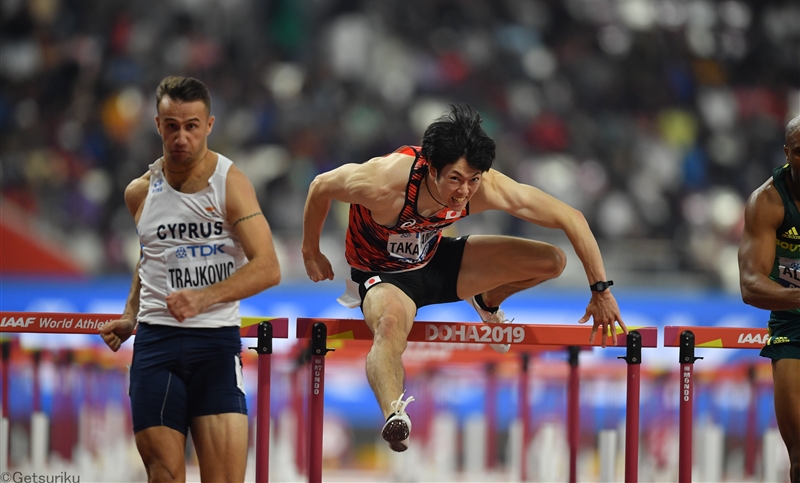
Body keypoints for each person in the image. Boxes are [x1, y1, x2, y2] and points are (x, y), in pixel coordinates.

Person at [302, 104, 626, 452]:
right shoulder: (383, 183)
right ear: (430, 168)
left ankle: (488, 300)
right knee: (391, 326)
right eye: (455, 179)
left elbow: (572, 218)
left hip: (436, 259)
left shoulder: (484, 186)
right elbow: (320, 186)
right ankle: (395, 413)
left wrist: (600, 290)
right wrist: (311, 250)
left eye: (473, 180)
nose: (464, 192)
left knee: (551, 260)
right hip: (385, 275)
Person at [99, 76, 281, 483]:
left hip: (214, 345)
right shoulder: (139, 193)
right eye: (172, 125)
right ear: (158, 124)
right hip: (156, 345)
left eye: (192, 126)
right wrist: (130, 313)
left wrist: (202, 299)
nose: (182, 136)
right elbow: (150, 255)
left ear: (209, 125)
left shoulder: (230, 183)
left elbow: (268, 267)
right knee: (164, 476)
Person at [738, 114, 800, 483]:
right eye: (799, 152)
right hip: (792, 321)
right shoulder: (768, 201)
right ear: (786, 152)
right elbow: (750, 285)